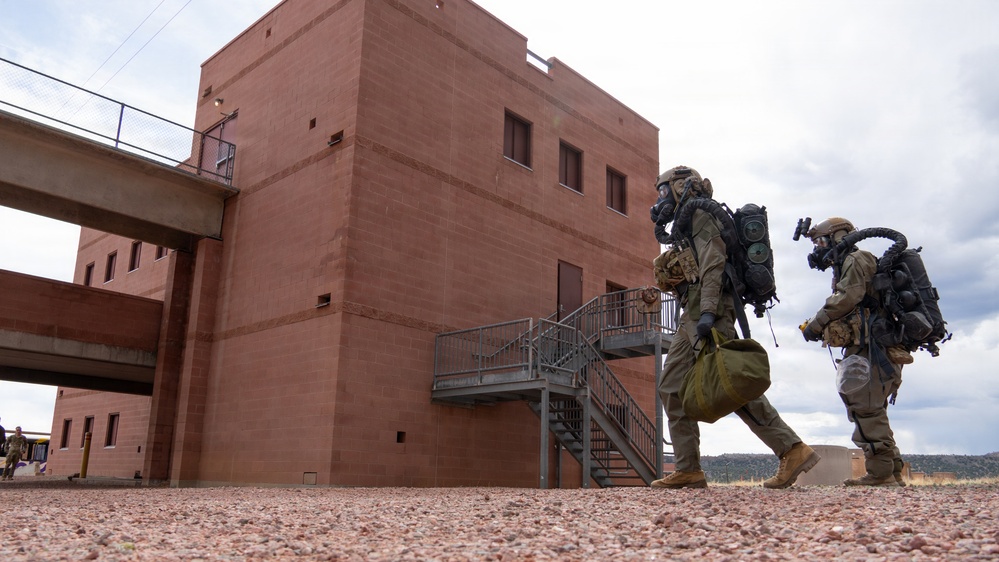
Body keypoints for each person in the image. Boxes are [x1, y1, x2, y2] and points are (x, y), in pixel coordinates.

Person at [649, 165, 820, 489]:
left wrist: (709, 313)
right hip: (694, 309)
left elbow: (713, 264)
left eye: (663, 190)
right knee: (671, 387)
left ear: (680, 185)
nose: (660, 199)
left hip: (708, 308)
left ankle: (792, 449)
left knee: (732, 381)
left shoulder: (700, 214)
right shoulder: (687, 218)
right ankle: (689, 468)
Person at [800, 217, 905, 487]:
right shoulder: (852, 262)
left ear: (839, 238)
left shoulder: (856, 260)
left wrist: (816, 323)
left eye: (822, 241)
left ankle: (881, 474)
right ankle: (890, 471)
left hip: (871, 347)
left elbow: (847, 297)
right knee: (871, 407)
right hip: (867, 346)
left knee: (865, 407)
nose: (819, 248)